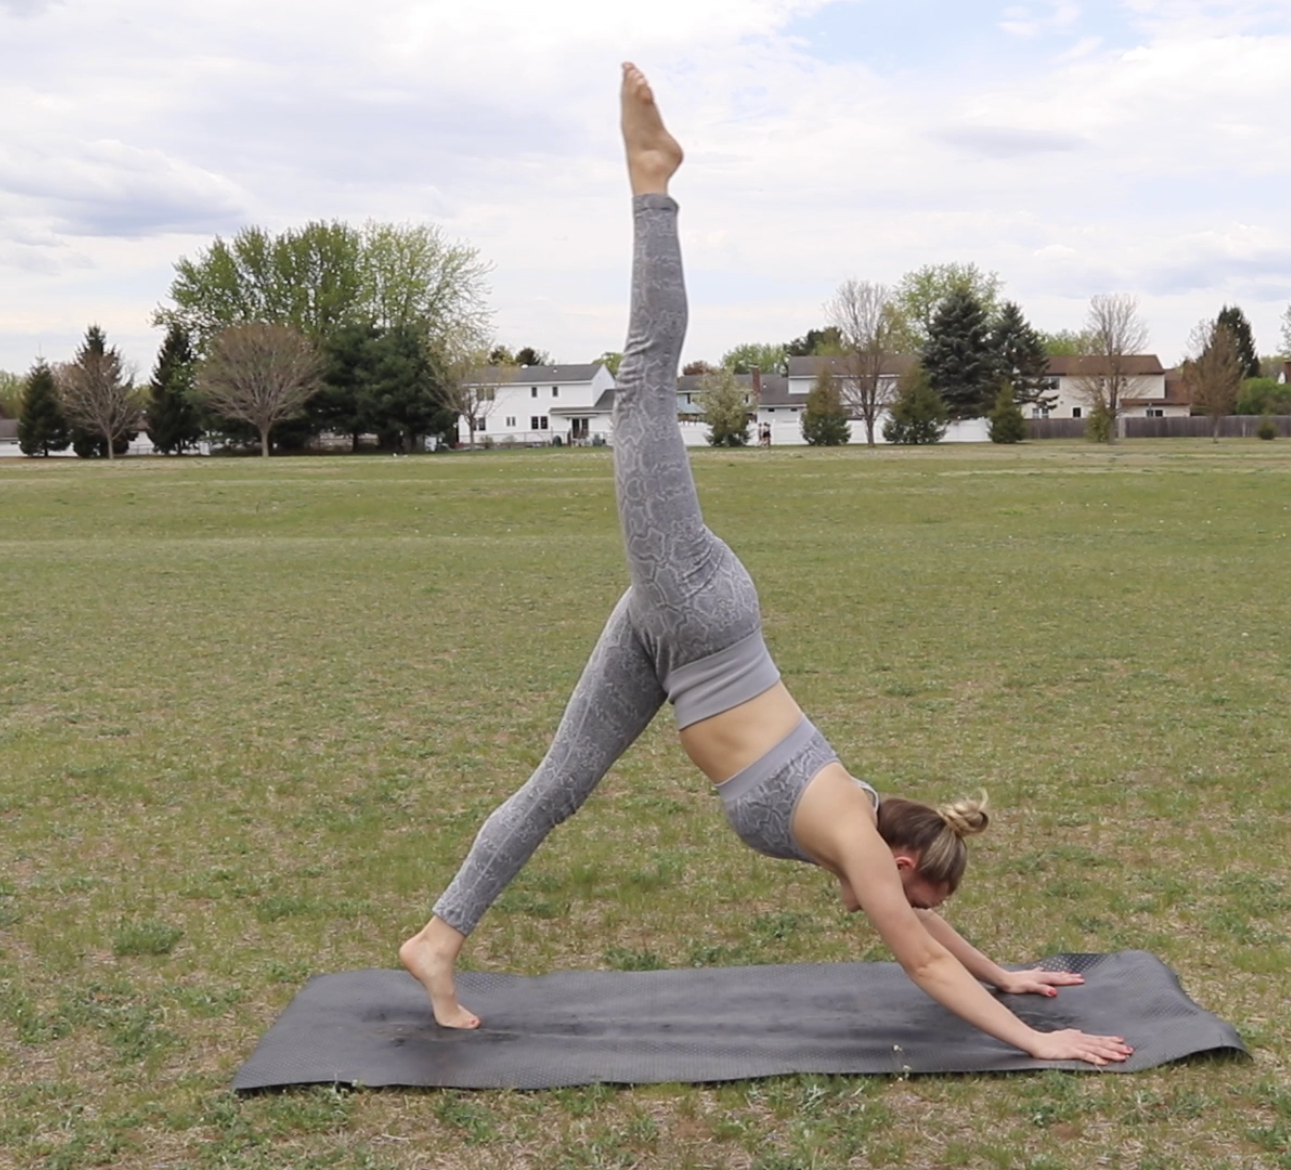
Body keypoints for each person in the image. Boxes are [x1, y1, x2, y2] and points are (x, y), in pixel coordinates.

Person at [397, 64, 1130, 1067]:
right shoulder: (870, 845)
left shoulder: (877, 821)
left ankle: (437, 939)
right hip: (695, 608)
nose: (905, 908)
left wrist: (1004, 973)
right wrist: (1036, 1043)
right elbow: (917, 958)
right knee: (647, 383)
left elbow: (929, 935)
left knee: (558, 784)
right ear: (905, 859)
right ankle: (653, 184)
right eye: (918, 890)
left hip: (680, 644)